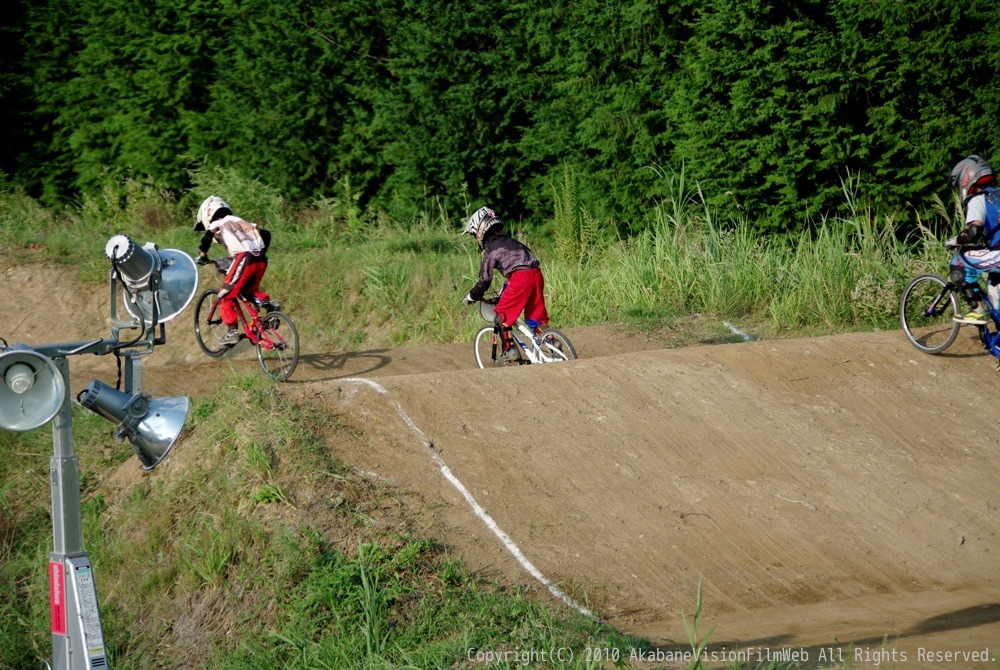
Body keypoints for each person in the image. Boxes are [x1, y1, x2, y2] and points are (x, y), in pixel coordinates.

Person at [462, 206, 549, 363]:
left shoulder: (490, 251)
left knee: (501, 317)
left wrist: (472, 296)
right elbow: (522, 264)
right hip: (536, 275)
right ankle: (554, 343)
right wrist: (506, 287)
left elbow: (485, 280)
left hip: (520, 279)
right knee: (536, 318)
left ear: (480, 230)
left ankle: (510, 350)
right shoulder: (513, 242)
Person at [194, 195, 273, 344]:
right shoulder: (239, 220)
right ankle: (270, 306)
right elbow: (265, 234)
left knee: (224, 295)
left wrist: (202, 255)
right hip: (261, 259)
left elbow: (206, 238)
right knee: (247, 291)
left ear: (208, 214)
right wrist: (258, 250)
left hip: (245, 259)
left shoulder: (217, 223)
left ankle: (232, 332)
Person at [947, 155, 1000, 325]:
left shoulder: (978, 199)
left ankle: (977, 310)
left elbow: (974, 231)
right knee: (994, 287)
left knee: (959, 261)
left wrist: (957, 239)